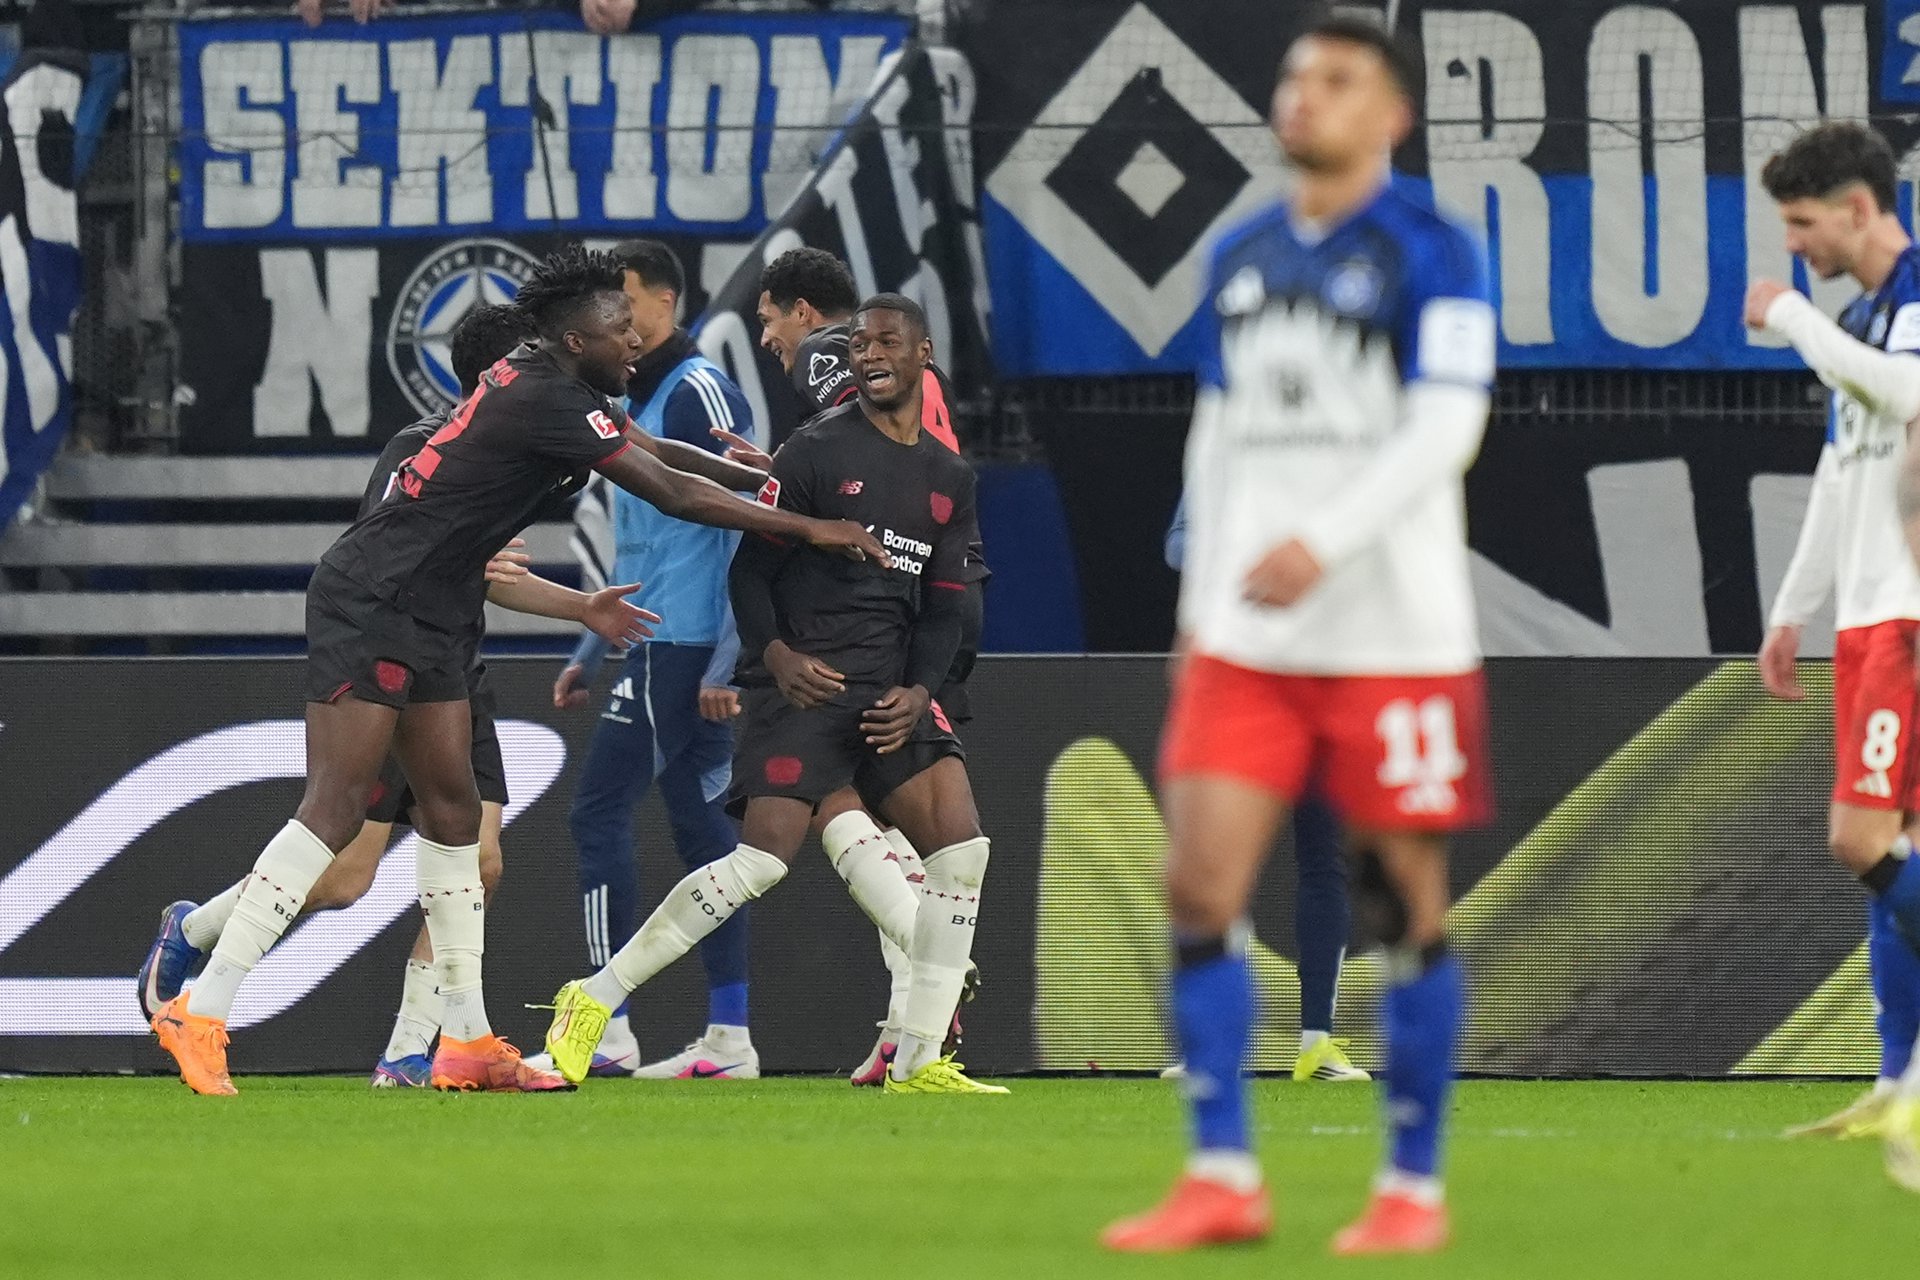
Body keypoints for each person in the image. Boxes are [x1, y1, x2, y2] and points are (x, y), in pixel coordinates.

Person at [144, 246, 888, 1096]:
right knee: (338, 808)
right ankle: (202, 1009)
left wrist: (770, 479)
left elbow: (660, 453)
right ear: (573, 339)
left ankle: (462, 1042)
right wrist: (812, 526)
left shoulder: (560, 388)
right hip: (376, 600)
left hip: (436, 611)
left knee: (456, 816)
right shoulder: (542, 396)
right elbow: (669, 492)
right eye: (617, 327)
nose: (633, 339)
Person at [1102, 18, 1495, 1255]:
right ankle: (1223, 1172)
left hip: (1394, 635)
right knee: (1198, 882)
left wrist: (1321, 541)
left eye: (1337, 80)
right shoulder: (1243, 252)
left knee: (1401, 903)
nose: (1304, 98)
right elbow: (1216, 438)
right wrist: (1198, 613)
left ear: (1394, 115)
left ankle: (1411, 1187)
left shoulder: (1434, 248)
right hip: (1250, 643)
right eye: (1293, 78)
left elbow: (1447, 428)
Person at [135, 304, 656, 1088]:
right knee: (345, 867)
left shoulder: (541, 439)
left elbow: (493, 569)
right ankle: (199, 949)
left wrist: (581, 606)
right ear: (502, 374)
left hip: (453, 659)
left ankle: (434, 1044)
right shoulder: (428, 446)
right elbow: (397, 552)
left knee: (473, 847)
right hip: (389, 639)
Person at [542, 294, 1006, 1095]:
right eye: (859, 345)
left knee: (961, 852)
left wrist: (919, 689)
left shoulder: (948, 476)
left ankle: (921, 1059)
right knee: (760, 862)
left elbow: (943, 607)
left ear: (923, 354)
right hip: (806, 685)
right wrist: (777, 656)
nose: (870, 355)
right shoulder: (815, 452)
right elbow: (750, 572)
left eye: (886, 342)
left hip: (890, 693)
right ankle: (593, 997)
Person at [741, 246, 983, 1082]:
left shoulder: (824, 357)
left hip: (888, 602)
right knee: (887, 809)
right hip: (944, 587)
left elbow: (849, 466)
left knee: (841, 791)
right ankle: (906, 1028)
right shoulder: (919, 375)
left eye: (769, 319)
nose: (771, 340)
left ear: (806, 313)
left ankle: (929, 976)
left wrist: (786, 485)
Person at [1745, 122, 1920, 1181]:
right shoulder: (1858, 321)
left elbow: (1908, 397)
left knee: (1860, 840)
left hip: (1908, 614)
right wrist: (1789, 609)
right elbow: (1840, 470)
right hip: (1863, 618)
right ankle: (1900, 1085)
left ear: (1859, 208)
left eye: (1804, 222)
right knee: (1897, 855)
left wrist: (1790, 315)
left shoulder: (1911, 297)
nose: (1795, 244)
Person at [545, 240, 763, 1080]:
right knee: (704, 830)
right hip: (654, 638)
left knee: (596, 813)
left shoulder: (700, 389)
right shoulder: (630, 397)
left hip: (683, 641)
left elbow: (750, 512)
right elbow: (640, 540)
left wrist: (728, 660)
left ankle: (608, 1025)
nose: (615, 319)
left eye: (624, 300)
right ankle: (730, 1038)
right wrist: (590, 644)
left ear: (665, 303)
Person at [1162, 495, 1368, 1084]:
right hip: (1243, 680)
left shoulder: (1345, 468)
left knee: (1324, 861)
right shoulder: (1237, 454)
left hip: (1324, 679)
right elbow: (1177, 544)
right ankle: (1210, 1046)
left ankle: (1317, 1043)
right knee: (1218, 864)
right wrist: (1250, 554)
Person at [755, 246, 959, 452]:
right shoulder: (918, 363)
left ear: (801, 312)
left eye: (767, 321)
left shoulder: (820, 348)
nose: (764, 339)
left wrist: (792, 461)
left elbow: (871, 436)